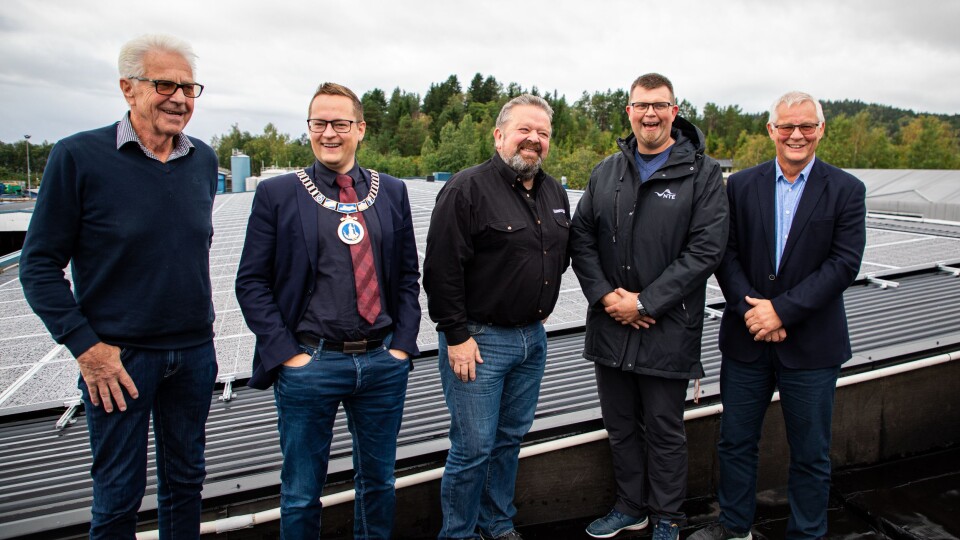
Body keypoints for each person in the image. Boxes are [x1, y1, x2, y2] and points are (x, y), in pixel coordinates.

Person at [19, 34, 218, 538]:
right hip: (119, 360)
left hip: (193, 353)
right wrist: (87, 348)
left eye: (189, 87)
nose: (179, 98)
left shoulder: (203, 161)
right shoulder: (78, 157)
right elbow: (38, 266)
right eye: (165, 84)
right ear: (128, 89)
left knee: (186, 483)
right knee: (118, 494)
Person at [235, 82, 420, 539]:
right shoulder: (279, 194)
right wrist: (287, 356)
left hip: (380, 363)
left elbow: (406, 278)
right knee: (301, 492)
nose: (329, 133)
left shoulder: (391, 191)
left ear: (360, 129)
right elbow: (251, 282)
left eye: (340, 123)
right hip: (310, 363)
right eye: (319, 123)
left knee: (378, 483)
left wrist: (401, 347)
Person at [691, 92, 866, 540]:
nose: (796, 135)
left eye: (806, 126)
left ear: (821, 130)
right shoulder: (741, 186)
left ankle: (806, 533)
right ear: (771, 130)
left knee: (810, 453)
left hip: (811, 345)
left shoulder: (846, 189)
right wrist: (755, 311)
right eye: (787, 126)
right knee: (735, 443)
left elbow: (843, 264)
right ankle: (734, 528)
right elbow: (724, 254)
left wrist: (782, 311)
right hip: (747, 338)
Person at [569, 73, 729, 540]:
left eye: (660, 105)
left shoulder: (702, 173)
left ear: (674, 112)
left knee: (663, 430)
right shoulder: (605, 172)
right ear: (629, 111)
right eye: (642, 105)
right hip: (611, 325)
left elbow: (706, 250)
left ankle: (667, 517)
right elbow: (581, 238)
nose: (650, 114)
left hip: (667, 326)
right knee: (620, 427)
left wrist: (646, 300)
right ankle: (630, 507)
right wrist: (607, 297)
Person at [423, 94, 571, 540]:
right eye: (525, 130)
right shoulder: (466, 189)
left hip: (533, 340)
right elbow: (440, 270)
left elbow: (559, 257)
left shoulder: (554, 191)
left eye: (542, 133)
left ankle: (497, 524)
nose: (533, 140)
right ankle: (459, 533)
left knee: (508, 442)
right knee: (473, 449)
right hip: (479, 344)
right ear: (500, 135)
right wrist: (456, 336)